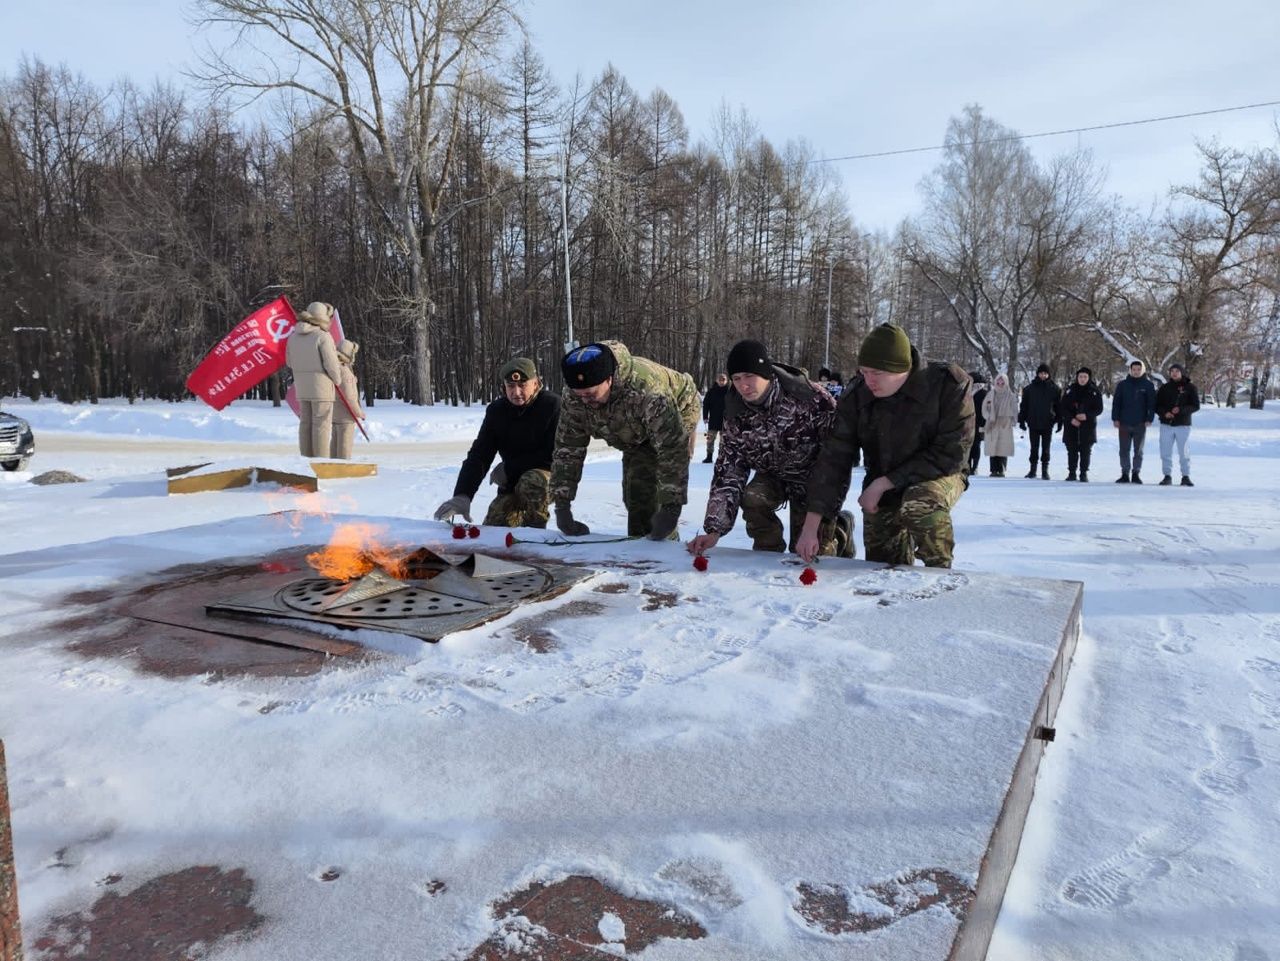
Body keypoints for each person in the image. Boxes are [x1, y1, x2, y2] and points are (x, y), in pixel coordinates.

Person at [797, 324, 974, 568]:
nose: (868, 380)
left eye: (877, 373)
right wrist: (811, 525)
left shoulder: (947, 385)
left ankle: (938, 576)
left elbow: (952, 454)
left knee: (919, 502)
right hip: (883, 486)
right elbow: (834, 460)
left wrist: (884, 482)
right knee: (882, 567)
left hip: (938, 474)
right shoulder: (857, 395)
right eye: (864, 371)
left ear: (902, 369)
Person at [686, 339, 853, 558]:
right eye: (736, 378)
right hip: (773, 475)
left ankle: (839, 532)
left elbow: (836, 464)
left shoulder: (812, 400)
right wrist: (714, 530)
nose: (743, 385)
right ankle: (768, 554)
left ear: (766, 374)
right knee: (753, 497)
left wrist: (813, 525)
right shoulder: (735, 410)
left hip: (814, 479)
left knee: (809, 555)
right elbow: (729, 470)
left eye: (749, 376)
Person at [552, 341, 700, 540]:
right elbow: (568, 448)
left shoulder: (647, 390)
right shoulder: (575, 397)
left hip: (680, 409)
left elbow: (671, 448)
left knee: (644, 487)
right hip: (633, 430)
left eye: (590, 394)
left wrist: (671, 508)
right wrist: (562, 506)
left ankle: (657, 554)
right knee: (632, 493)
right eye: (580, 395)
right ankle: (646, 533)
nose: (585, 401)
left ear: (609, 379)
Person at [433, 358, 560, 528]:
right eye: (510, 386)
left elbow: (554, 454)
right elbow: (479, 455)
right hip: (513, 482)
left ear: (536, 384)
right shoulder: (497, 411)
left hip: (551, 480)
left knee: (532, 481)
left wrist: (509, 468)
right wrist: (463, 495)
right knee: (494, 531)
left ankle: (535, 538)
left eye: (522, 385)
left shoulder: (553, 406)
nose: (516, 392)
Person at [285, 301, 342, 458]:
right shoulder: (323, 336)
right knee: (321, 425)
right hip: (321, 387)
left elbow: (289, 362)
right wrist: (337, 380)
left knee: (305, 424)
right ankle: (321, 461)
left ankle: (305, 459)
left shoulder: (293, 337)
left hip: (302, 387)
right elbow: (331, 364)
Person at [1112, 359, 1157, 483]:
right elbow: (1116, 403)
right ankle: (1125, 473)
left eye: (1138, 369)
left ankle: (1136, 473)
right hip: (1124, 422)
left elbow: (1151, 404)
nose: (1136, 372)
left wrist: (1149, 419)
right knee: (1124, 450)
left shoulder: (1148, 385)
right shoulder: (1123, 385)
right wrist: (1115, 418)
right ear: (1130, 370)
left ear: (1142, 370)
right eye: (1134, 369)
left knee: (1138, 450)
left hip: (1140, 423)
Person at [1155, 362, 1200, 486]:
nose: (1174, 373)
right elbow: (1157, 406)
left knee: (1184, 452)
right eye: (1172, 371)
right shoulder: (1164, 388)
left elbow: (1195, 406)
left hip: (1183, 425)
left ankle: (1185, 476)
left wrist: (1181, 410)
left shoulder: (1190, 387)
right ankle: (1167, 475)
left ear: (1182, 372)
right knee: (1165, 451)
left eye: (1177, 371)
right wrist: (1165, 413)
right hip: (1166, 425)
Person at [1059, 367, 1103, 481]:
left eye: (1085, 377)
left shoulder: (1094, 391)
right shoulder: (1070, 390)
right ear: (1077, 377)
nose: (1082, 379)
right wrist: (1071, 418)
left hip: (1088, 425)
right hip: (1071, 425)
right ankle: (1072, 472)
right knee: (1072, 450)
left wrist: (1087, 415)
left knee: (1086, 450)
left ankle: (1083, 473)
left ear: (1089, 378)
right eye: (1080, 377)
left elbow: (1099, 409)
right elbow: (1062, 407)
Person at [1018, 363, 1061, 479]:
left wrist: (1059, 420)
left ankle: (1045, 470)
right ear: (1038, 374)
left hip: (1048, 422)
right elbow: (1024, 406)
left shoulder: (1055, 389)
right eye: (1041, 373)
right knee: (1034, 448)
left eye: (1045, 373)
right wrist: (1021, 420)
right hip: (1033, 422)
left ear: (1049, 375)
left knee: (1046, 448)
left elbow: (1058, 407)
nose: (1043, 375)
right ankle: (1033, 470)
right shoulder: (1029, 389)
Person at [329, 340, 365, 459]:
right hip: (345, 416)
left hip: (334, 413)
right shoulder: (344, 372)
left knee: (335, 444)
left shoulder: (333, 368)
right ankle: (343, 469)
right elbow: (349, 397)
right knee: (344, 446)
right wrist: (359, 412)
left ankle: (332, 468)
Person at [981, 373, 1017, 477]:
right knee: (993, 447)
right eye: (998, 382)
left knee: (1003, 446)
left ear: (1006, 383)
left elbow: (1014, 409)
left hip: (1005, 424)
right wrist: (988, 416)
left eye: (1002, 382)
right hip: (992, 423)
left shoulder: (1010, 395)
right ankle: (993, 470)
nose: (1000, 383)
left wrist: (1013, 420)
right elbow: (984, 407)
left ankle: (1001, 469)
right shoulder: (990, 394)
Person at [701, 372, 729, 463]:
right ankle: (709, 457)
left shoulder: (730, 391)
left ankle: (722, 458)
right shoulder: (711, 391)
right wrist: (705, 417)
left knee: (724, 442)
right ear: (717, 380)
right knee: (710, 440)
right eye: (720, 380)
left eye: (723, 380)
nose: (722, 381)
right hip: (713, 420)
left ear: (726, 381)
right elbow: (706, 405)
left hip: (725, 421)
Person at [968, 371, 988, 475]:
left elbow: (986, 410)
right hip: (967, 423)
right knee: (968, 446)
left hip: (978, 423)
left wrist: (983, 424)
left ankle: (974, 466)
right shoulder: (967, 393)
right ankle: (968, 466)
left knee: (976, 445)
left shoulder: (983, 393)